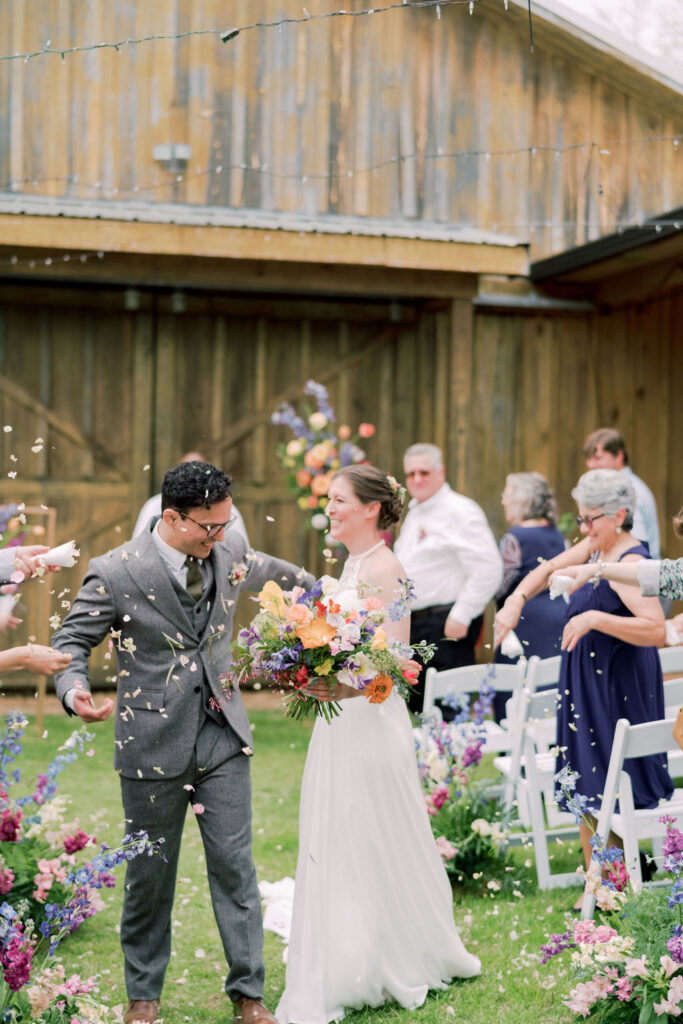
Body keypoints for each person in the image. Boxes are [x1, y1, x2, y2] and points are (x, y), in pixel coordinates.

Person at [52, 461, 313, 1024]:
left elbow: (281, 575)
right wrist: (73, 692)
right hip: (150, 741)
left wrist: (336, 599)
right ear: (172, 517)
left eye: (226, 525)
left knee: (235, 867)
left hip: (223, 734)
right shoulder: (115, 571)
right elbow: (71, 641)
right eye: (209, 527)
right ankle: (143, 996)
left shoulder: (230, 547)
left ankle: (249, 994)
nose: (220, 536)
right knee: (150, 874)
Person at [276, 465, 480, 1024]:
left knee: (368, 827)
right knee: (344, 830)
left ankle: (381, 952)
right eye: (330, 500)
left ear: (370, 509)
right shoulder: (355, 563)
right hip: (343, 716)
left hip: (369, 715)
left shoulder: (388, 568)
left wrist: (340, 680)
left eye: (339, 500)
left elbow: (397, 657)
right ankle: (352, 939)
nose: (330, 508)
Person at [495, 469, 672, 895]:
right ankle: (605, 884)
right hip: (588, 683)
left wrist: (594, 617)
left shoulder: (631, 563)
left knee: (608, 777)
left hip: (616, 686)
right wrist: (516, 599)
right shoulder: (597, 549)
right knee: (584, 777)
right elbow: (550, 567)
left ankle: (612, 886)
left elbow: (656, 629)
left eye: (591, 519)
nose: (584, 528)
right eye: (580, 519)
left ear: (620, 515)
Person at [394, 443, 502, 715]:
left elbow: (488, 568)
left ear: (441, 472)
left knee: (448, 715)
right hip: (415, 627)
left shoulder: (460, 510)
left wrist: (463, 614)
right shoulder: (416, 511)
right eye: (411, 474)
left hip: (445, 626)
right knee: (419, 714)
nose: (417, 479)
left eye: (424, 472)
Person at [492, 472, 566, 721]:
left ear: (521, 500)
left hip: (522, 622)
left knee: (515, 690)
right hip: (557, 619)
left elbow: (501, 585)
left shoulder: (515, 537)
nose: (503, 500)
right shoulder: (555, 534)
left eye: (507, 493)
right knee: (548, 686)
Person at [132, 452, 249, 545]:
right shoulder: (153, 505)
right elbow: (138, 542)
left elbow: (241, 550)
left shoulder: (229, 508)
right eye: (210, 527)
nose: (220, 537)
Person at [583, 428, 660, 558]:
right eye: (588, 458)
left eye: (598, 458)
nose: (591, 465)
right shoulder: (617, 487)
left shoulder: (628, 491)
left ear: (619, 456)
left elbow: (636, 544)